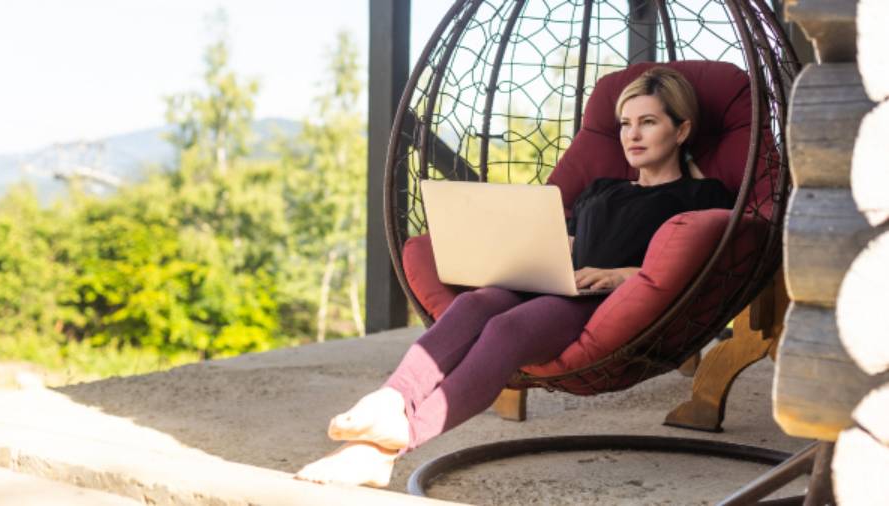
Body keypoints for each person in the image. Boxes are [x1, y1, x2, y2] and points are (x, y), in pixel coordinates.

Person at [294, 66, 735, 488]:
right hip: (553, 280)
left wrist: (623, 275)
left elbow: (700, 267)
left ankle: (391, 445)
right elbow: (570, 240)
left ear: (681, 130)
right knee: (474, 303)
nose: (632, 135)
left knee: (506, 329)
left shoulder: (701, 195)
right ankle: (390, 401)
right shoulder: (602, 188)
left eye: (648, 122)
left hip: (600, 303)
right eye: (625, 123)